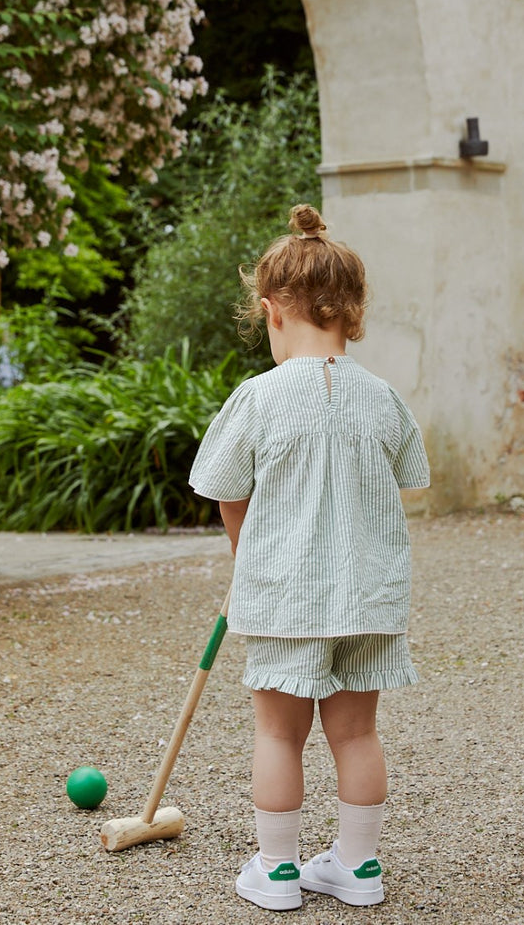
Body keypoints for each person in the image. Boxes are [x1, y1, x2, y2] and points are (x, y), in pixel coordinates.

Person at [188, 203, 430, 911]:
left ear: (270, 311)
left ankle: (279, 870)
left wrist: (246, 559)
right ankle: (358, 869)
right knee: (356, 731)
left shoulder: (257, 398)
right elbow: (406, 480)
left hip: (285, 595)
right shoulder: (383, 398)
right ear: (353, 312)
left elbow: (225, 490)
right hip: (369, 596)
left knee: (278, 733)